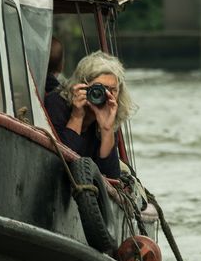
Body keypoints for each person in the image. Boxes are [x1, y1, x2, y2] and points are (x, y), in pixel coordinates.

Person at [44, 50, 134, 179]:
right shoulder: (57, 104)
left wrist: (107, 129)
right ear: (82, 86)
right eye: (100, 88)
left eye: (113, 90)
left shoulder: (109, 113)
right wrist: (77, 116)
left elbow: (111, 176)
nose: (106, 95)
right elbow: (61, 164)